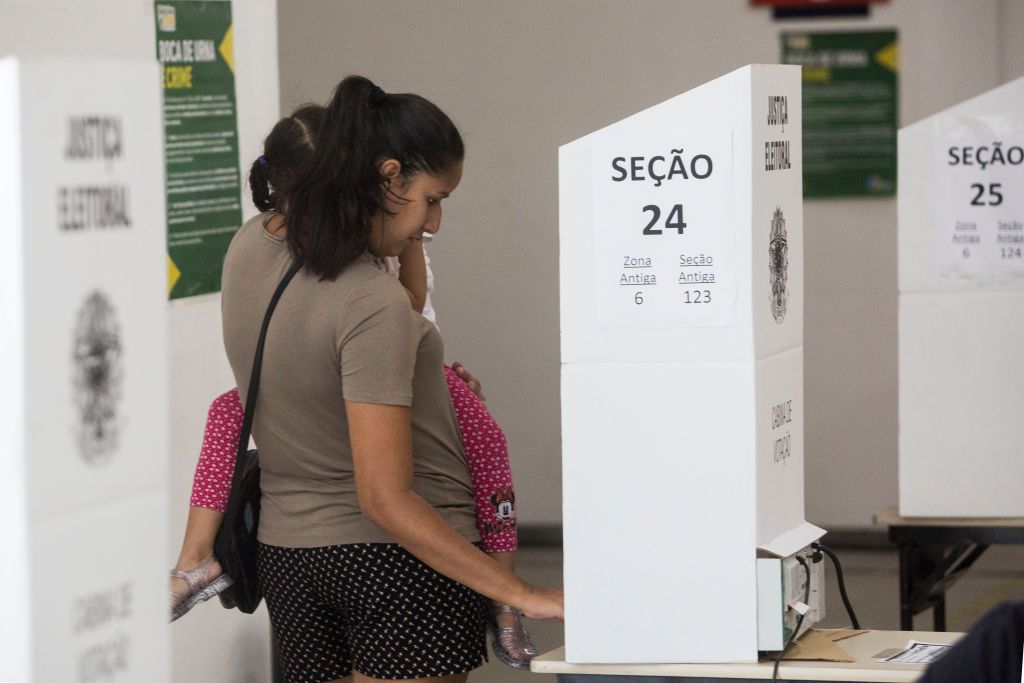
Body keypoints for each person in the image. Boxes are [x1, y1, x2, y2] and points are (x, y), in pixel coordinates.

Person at [223, 77, 561, 682]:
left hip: (290, 559)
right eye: (432, 198)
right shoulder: (369, 303)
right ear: (388, 178)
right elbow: (385, 497)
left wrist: (393, 230)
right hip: (398, 567)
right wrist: (522, 592)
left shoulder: (249, 247)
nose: (433, 224)